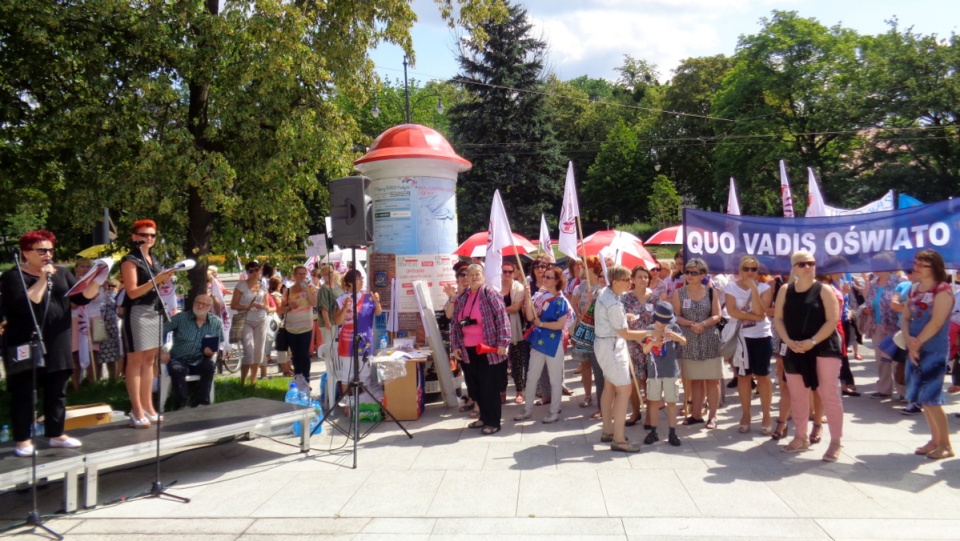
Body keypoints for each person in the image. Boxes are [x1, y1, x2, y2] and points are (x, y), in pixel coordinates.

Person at [1, 230, 100, 456]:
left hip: (58, 340)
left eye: (50, 250)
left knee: (57, 391)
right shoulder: (13, 277)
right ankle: (23, 440)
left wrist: (97, 281)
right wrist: (43, 278)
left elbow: (81, 298)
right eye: (41, 250)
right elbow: (28, 302)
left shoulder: (62, 274)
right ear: (26, 253)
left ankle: (56, 434)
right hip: (26, 341)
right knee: (25, 393)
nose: (48, 254)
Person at [773, 250, 844, 461]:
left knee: (829, 394)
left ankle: (836, 441)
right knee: (797, 394)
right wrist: (788, 341)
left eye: (811, 263)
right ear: (794, 267)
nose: (808, 267)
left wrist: (812, 341)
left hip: (823, 347)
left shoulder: (824, 289)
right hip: (794, 347)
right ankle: (801, 436)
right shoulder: (785, 290)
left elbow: (832, 320)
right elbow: (778, 319)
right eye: (803, 264)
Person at [121, 219, 176, 429]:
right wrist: (158, 279)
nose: (149, 239)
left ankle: (148, 406)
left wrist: (164, 278)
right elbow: (132, 291)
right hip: (138, 312)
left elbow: (158, 285)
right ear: (135, 237)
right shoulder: (130, 260)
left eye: (152, 235)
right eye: (144, 235)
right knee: (135, 361)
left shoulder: (154, 259)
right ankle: (136, 409)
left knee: (150, 360)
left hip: (155, 311)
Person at [902, 250, 954, 459]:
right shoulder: (914, 288)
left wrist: (917, 343)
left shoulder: (943, 290)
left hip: (933, 349)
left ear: (935, 268)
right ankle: (935, 440)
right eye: (916, 262)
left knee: (932, 397)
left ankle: (946, 445)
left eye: (923, 264)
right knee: (923, 399)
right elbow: (905, 317)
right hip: (915, 347)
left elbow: (937, 322)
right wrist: (908, 339)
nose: (917, 266)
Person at [449, 264, 511, 435]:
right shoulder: (463, 297)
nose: (474, 277)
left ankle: (493, 422)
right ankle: (483, 417)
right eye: (470, 275)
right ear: (466, 278)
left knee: (489, 386)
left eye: (477, 274)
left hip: (488, 349)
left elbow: (502, 318)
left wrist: (503, 343)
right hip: (467, 349)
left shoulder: (489, 294)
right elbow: (454, 323)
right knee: (474, 386)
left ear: (483, 276)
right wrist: (455, 346)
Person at [594, 265, 648, 452]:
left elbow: (614, 320)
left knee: (609, 387)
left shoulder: (606, 293)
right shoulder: (614, 302)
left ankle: (608, 430)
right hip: (611, 347)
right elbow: (625, 333)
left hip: (605, 344)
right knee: (624, 390)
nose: (630, 282)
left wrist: (625, 316)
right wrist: (649, 332)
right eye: (626, 280)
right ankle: (618, 438)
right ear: (615, 282)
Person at [724, 255, 775, 435]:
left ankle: (766, 416)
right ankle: (745, 415)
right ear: (740, 270)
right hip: (741, 337)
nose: (750, 272)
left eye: (754, 269)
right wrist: (755, 317)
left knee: (763, 376)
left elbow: (761, 310)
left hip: (761, 336)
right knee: (743, 377)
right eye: (746, 269)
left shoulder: (764, 287)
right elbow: (732, 311)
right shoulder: (731, 287)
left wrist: (754, 290)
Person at [514, 266, 571, 423]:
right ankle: (527, 409)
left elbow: (560, 325)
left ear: (557, 281)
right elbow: (530, 316)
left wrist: (542, 324)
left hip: (554, 343)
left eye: (549, 277)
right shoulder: (538, 297)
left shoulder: (561, 301)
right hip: (538, 341)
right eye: (544, 276)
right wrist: (527, 296)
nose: (545, 279)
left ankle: (554, 410)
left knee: (555, 379)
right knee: (532, 377)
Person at [672, 258, 723, 429]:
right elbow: (676, 316)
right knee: (695, 380)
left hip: (709, 339)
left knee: (712, 380)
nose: (689, 275)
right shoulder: (679, 293)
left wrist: (703, 324)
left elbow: (717, 315)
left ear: (703, 274)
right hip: (689, 339)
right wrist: (690, 324)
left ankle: (713, 416)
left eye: (694, 272)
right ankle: (696, 414)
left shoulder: (711, 292)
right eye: (687, 272)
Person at [163, 294, 223, 408]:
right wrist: (161, 350)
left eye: (204, 304)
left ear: (209, 307)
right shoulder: (181, 318)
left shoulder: (216, 322)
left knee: (209, 366)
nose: (200, 306)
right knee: (176, 369)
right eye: (197, 303)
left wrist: (212, 352)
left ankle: (203, 403)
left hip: (200, 359)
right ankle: (183, 403)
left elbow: (216, 344)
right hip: (179, 359)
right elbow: (160, 330)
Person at [642, 302, 686, 447]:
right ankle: (653, 431)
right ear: (656, 320)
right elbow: (645, 350)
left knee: (671, 402)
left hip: (671, 371)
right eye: (663, 323)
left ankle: (672, 432)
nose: (664, 325)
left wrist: (675, 337)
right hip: (654, 372)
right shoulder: (649, 329)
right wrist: (652, 344)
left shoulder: (674, 328)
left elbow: (684, 342)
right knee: (653, 402)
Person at [333, 269, 381, 399]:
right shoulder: (342, 299)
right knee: (347, 373)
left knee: (364, 372)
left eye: (362, 279)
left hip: (365, 340)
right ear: (350, 282)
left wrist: (376, 301)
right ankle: (347, 403)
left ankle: (363, 401)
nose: (361, 282)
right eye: (358, 279)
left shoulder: (368, 297)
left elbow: (378, 312)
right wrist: (345, 307)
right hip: (348, 341)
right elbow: (337, 320)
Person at [571, 256, 605, 418]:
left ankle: (602, 404)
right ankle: (587, 395)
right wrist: (578, 314)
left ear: (591, 267)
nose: (581, 267)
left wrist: (587, 312)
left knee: (598, 367)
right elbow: (574, 301)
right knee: (584, 363)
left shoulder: (601, 286)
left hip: (596, 330)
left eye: (583, 265)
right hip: (583, 328)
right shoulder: (582, 284)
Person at [621, 265, 655, 427]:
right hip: (631, 345)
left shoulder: (655, 298)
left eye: (646, 277)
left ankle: (650, 415)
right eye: (640, 276)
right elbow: (619, 320)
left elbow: (661, 320)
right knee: (634, 381)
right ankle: (635, 412)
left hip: (651, 345)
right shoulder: (625, 299)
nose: (643, 280)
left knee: (650, 382)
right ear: (632, 280)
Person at [863, 269, 904, 399]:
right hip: (877, 325)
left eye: (877, 265)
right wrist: (866, 309)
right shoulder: (874, 283)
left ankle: (903, 392)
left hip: (895, 326)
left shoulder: (899, 282)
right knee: (881, 359)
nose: (874, 269)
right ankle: (884, 389)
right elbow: (869, 301)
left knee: (897, 360)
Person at [232, 260, 272, 385]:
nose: (254, 273)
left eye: (256, 270)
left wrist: (264, 307)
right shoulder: (241, 286)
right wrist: (248, 306)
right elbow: (234, 305)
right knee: (249, 351)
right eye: (251, 271)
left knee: (259, 352)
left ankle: (253, 381)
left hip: (261, 319)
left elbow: (267, 305)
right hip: (246, 319)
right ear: (247, 272)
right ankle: (243, 381)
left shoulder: (263, 286)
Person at [281, 266, 319, 383]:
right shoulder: (288, 291)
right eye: (299, 274)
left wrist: (306, 290)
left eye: (304, 274)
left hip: (305, 327)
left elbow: (314, 303)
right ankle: (298, 378)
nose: (302, 276)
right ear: (294, 275)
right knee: (295, 355)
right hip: (291, 328)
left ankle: (306, 380)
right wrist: (289, 307)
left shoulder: (311, 288)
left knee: (304, 354)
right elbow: (281, 309)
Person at [501, 260, 528, 404]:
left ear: (514, 272)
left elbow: (515, 308)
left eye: (509, 271)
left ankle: (519, 391)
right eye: (504, 271)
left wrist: (498, 310)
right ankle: (502, 391)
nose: (506, 274)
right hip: (498, 330)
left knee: (517, 360)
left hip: (514, 327)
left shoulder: (518, 287)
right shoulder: (494, 286)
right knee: (500, 363)